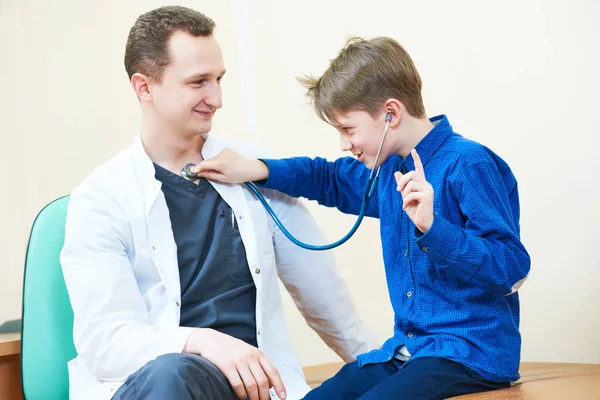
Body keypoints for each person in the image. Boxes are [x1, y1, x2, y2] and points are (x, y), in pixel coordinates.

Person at [60, 7, 378, 400]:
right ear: (144, 87)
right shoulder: (100, 199)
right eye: (198, 82)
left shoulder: (250, 171)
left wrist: (382, 369)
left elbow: (322, 290)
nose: (217, 98)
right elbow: (104, 340)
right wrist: (202, 341)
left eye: (219, 79)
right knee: (172, 375)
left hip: (251, 389)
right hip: (159, 386)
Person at [195, 36, 531, 399]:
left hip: (470, 354)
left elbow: (512, 268)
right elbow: (326, 177)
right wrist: (255, 168)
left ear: (391, 113)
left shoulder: (468, 163)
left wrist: (434, 228)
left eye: (348, 129)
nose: (343, 143)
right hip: (410, 351)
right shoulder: (387, 172)